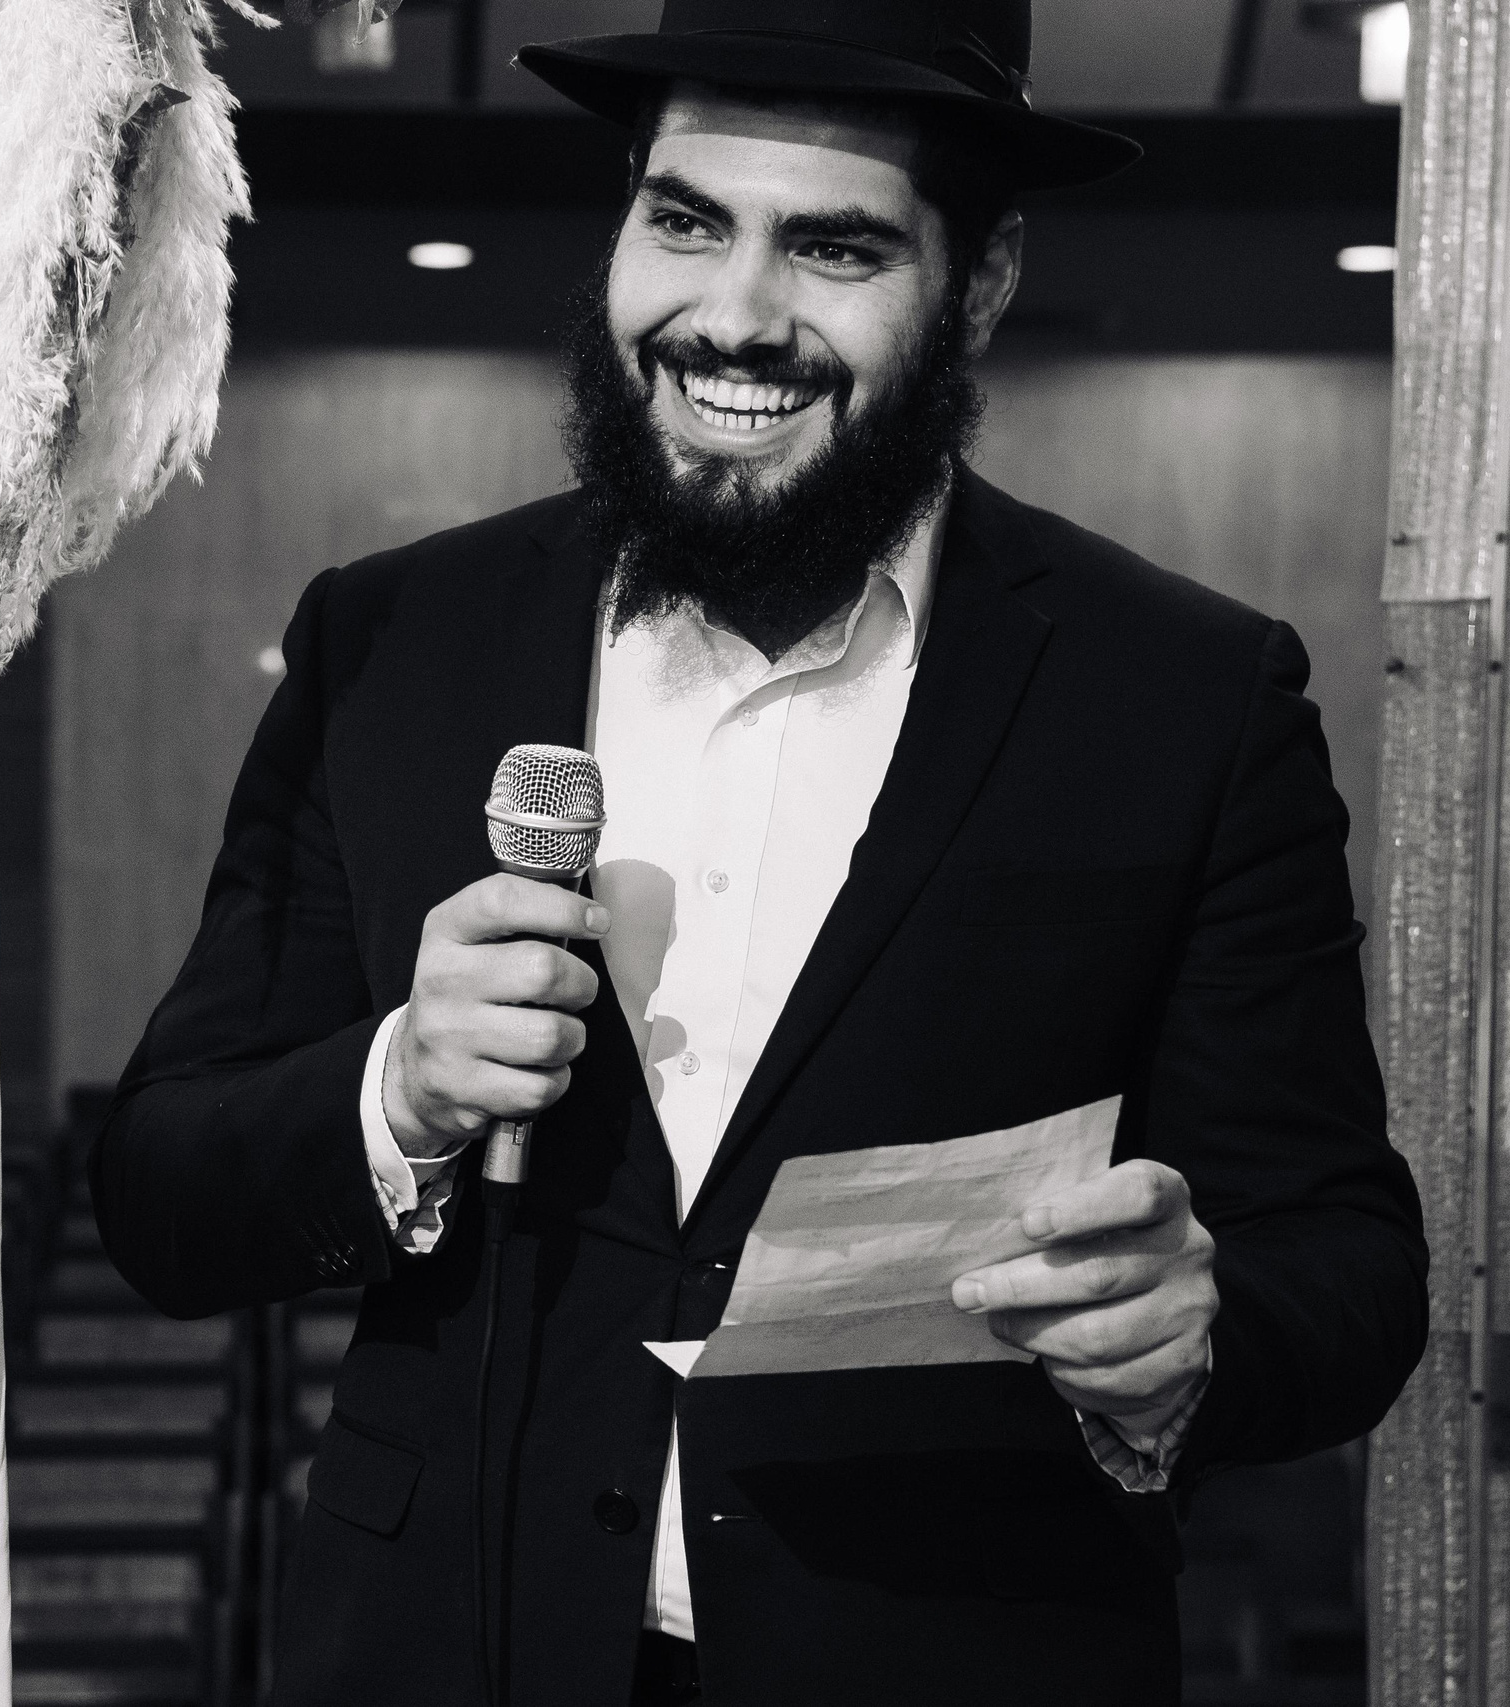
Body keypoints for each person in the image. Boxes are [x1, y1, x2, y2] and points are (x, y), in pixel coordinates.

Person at [91, 3, 1428, 1701]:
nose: (734, 315)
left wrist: (1195, 1330)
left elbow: (1349, 1262)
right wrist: (398, 1090)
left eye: (837, 247)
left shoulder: (1183, 696)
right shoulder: (395, 639)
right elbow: (160, 1193)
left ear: (983, 282)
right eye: (685, 219)